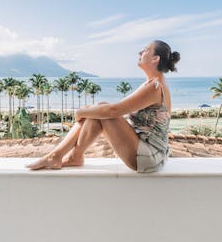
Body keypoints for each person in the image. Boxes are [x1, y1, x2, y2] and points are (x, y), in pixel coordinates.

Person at [26, 40, 180, 172]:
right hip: (148, 153)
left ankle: (60, 156)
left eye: (146, 50)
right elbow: (112, 109)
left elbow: (114, 111)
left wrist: (80, 112)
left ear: (155, 58)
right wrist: (88, 111)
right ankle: (72, 156)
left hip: (149, 156)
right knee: (99, 110)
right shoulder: (154, 83)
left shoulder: (154, 87)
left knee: (103, 111)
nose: (140, 52)